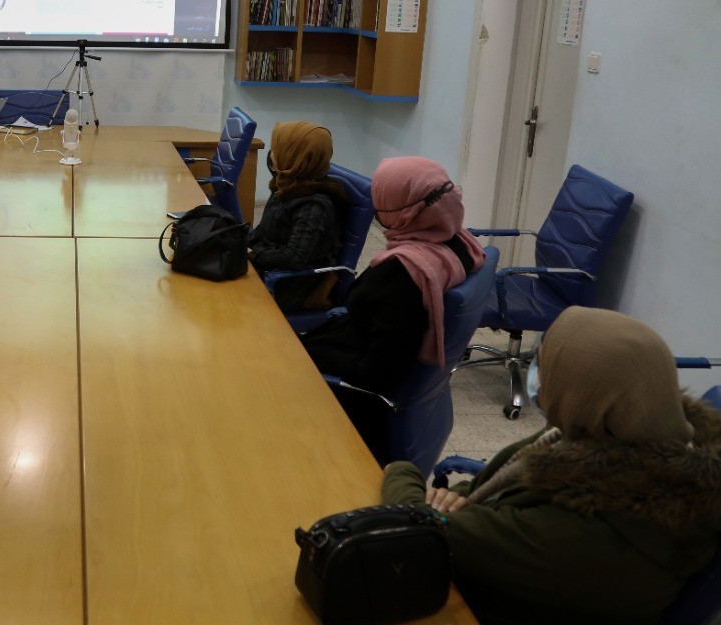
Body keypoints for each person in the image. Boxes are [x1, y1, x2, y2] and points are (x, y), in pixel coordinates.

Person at [384, 306, 721, 624]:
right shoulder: (611, 433)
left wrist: (402, 471)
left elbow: (413, 532)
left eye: (546, 367)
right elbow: (495, 490)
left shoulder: (585, 532)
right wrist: (454, 499)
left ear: (583, 396)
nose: (537, 377)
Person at [300, 156, 486, 461]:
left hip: (357, 403)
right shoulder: (461, 244)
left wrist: (303, 355)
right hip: (385, 367)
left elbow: (376, 374)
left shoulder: (402, 276)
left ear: (401, 209)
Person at [247, 121, 348, 313]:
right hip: (268, 267)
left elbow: (294, 257)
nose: (271, 154)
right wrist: (236, 239)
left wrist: (252, 254)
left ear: (295, 158)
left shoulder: (313, 206)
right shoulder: (286, 185)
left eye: (277, 149)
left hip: (288, 285)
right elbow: (263, 232)